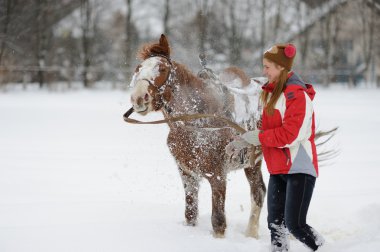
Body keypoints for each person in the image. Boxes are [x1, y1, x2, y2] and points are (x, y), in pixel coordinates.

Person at [226, 44, 324, 251]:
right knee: (275, 224)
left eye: (268, 66)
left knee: (295, 225)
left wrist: (259, 137)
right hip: (278, 168)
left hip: (299, 168)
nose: (264, 71)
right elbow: (267, 131)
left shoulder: (297, 96)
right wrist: (246, 139)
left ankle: (322, 248)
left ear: (281, 67)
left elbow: (291, 134)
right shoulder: (272, 94)